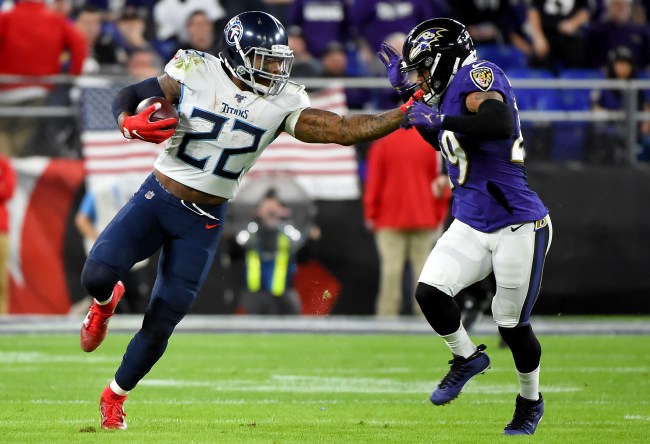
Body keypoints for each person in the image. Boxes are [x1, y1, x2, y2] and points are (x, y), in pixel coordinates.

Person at [79, 10, 404, 430]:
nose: (275, 70)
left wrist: (403, 112)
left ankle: (115, 396)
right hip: (157, 197)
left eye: (279, 61)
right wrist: (127, 122)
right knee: (95, 275)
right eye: (265, 60)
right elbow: (131, 92)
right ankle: (105, 303)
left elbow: (342, 129)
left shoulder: (284, 100)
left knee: (162, 322)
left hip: (204, 220)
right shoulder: (197, 70)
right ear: (236, 54)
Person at [379, 18, 552, 435]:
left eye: (422, 68)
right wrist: (415, 106)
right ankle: (466, 357)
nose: (418, 78)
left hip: (517, 223)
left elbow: (498, 123)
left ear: (444, 60)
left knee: (511, 325)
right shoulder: (447, 93)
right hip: (472, 221)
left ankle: (530, 402)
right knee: (430, 292)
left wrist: (439, 119)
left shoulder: (478, 75)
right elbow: (447, 142)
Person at [363, 127, 449, 316]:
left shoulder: (382, 142)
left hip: (389, 217)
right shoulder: (431, 143)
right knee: (423, 271)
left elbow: (374, 181)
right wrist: (439, 214)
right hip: (424, 216)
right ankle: (426, 319)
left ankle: (386, 319)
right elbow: (441, 183)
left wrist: (371, 213)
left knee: (391, 270)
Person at [0, 0, 86, 157]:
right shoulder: (56, 20)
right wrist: (73, 76)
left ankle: (7, 164)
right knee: (23, 133)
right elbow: (79, 43)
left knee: (5, 132)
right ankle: (8, 164)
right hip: (39, 92)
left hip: (5, 91)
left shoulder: (6, 17)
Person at [232, 188, 318, 315]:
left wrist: (312, 239)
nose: (270, 211)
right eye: (266, 207)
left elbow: (305, 256)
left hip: (285, 294)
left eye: (274, 207)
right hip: (253, 294)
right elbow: (234, 252)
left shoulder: (290, 232)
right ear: (257, 211)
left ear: (283, 210)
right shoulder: (249, 232)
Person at [75, 189, 150, 314]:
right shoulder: (99, 189)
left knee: (139, 306)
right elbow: (82, 220)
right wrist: (101, 241)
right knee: (110, 307)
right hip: (108, 261)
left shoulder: (138, 187)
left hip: (132, 261)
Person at [0, 155, 16, 314]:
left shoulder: (3, 165)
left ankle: (2, 314)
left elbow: (8, 191)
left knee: (1, 275)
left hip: (1, 228)